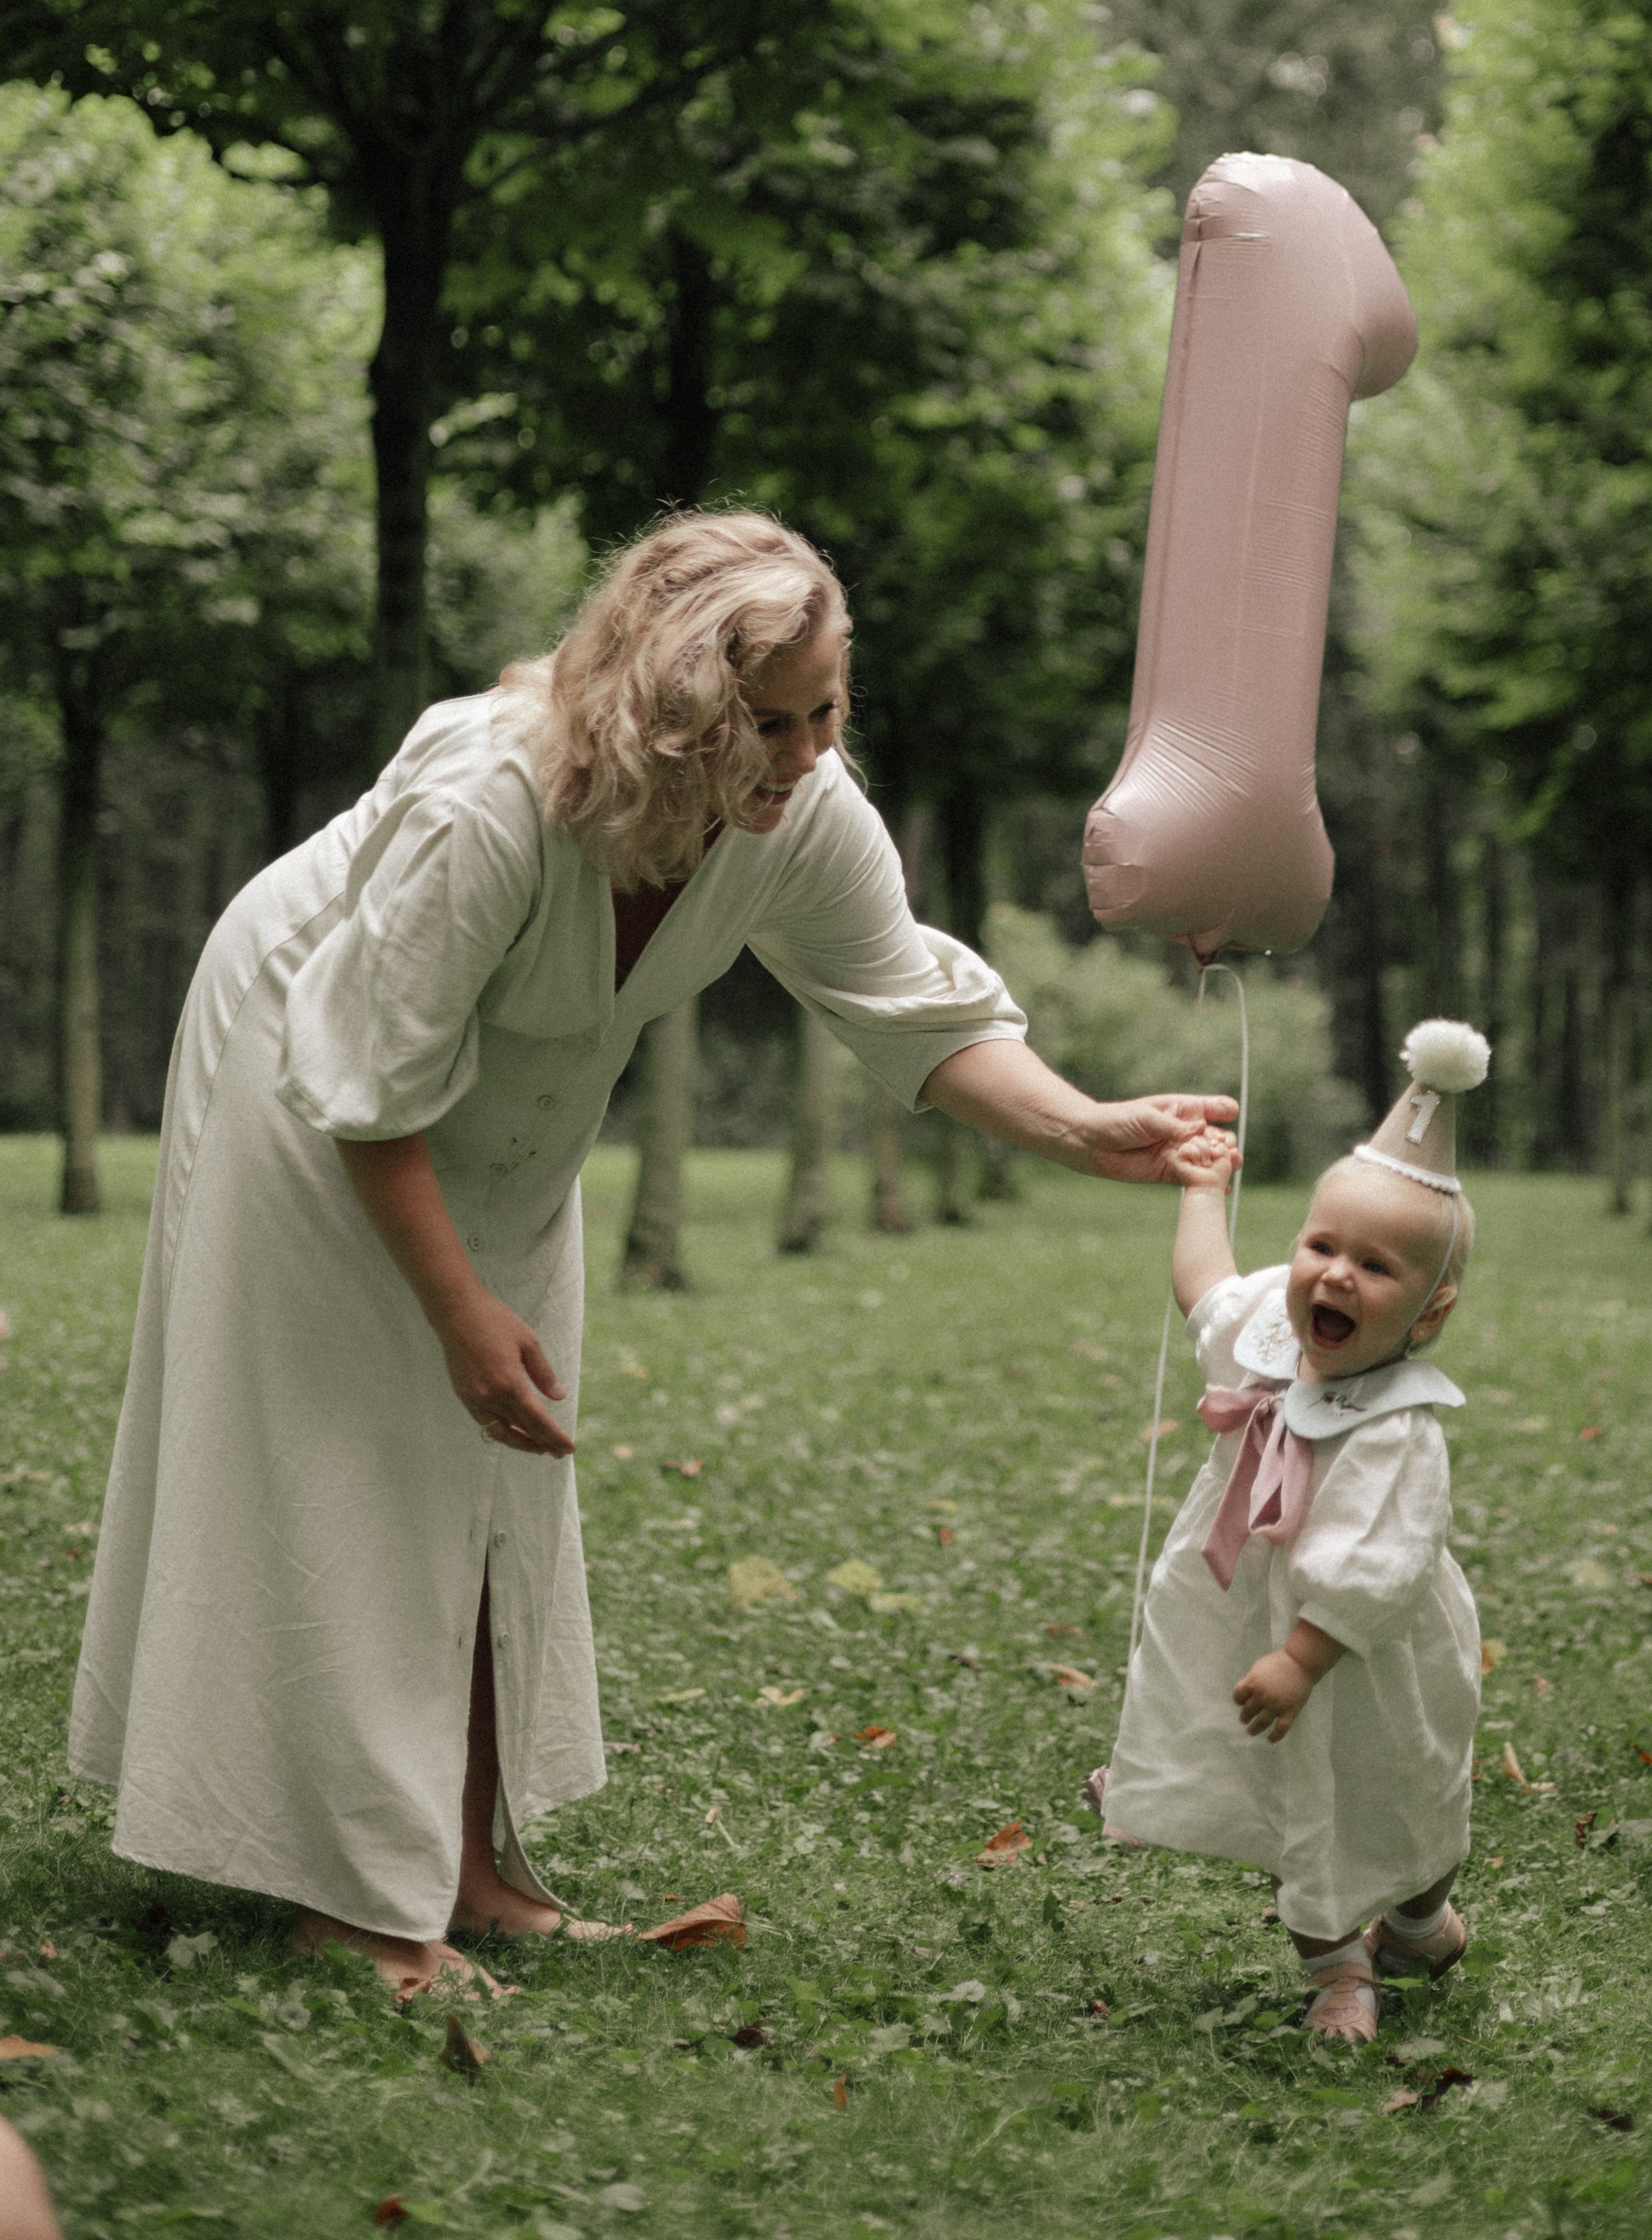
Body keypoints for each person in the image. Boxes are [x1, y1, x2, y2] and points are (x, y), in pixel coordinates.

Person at [71, 512, 1236, 1999]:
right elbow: (364, 1082)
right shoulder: (491, 799)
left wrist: (1088, 1131)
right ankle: (357, 1906)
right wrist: (454, 1309)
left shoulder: (799, 807)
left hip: (512, 1113)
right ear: (670, 712)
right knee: (354, 1455)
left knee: (505, 1466)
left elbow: (914, 1012)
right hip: (311, 1064)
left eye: (829, 709)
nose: (810, 751)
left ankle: (480, 1877)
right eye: (769, 720)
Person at [1095, 1020, 1488, 2045]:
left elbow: (1378, 1564)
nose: (1336, 1277)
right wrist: (1198, 1191)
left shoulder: (1398, 1425)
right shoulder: (1274, 1323)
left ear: (1429, 1311)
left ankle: (1417, 1916)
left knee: (1408, 1790)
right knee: (1294, 1799)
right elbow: (1204, 1292)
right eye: (1320, 1247)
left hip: (1365, 1649)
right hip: (1251, 1620)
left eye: (1377, 1266)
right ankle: (1336, 1970)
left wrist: (1304, 1658)